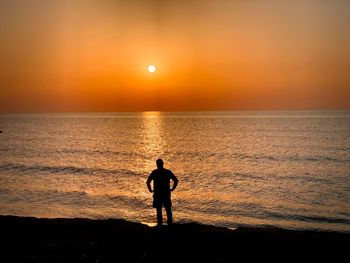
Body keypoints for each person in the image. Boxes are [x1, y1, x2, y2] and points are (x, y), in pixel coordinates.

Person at [146, 159, 178, 226]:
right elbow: (176, 180)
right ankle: (170, 225)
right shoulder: (167, 172)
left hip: (158, 193)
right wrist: (172, 189)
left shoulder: (155, 172)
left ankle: (160, 225)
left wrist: (150, 190)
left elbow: (148, 181)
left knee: (159, 210)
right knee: (168, 209)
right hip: (166, 193)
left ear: (157, 164)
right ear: (163, 164)